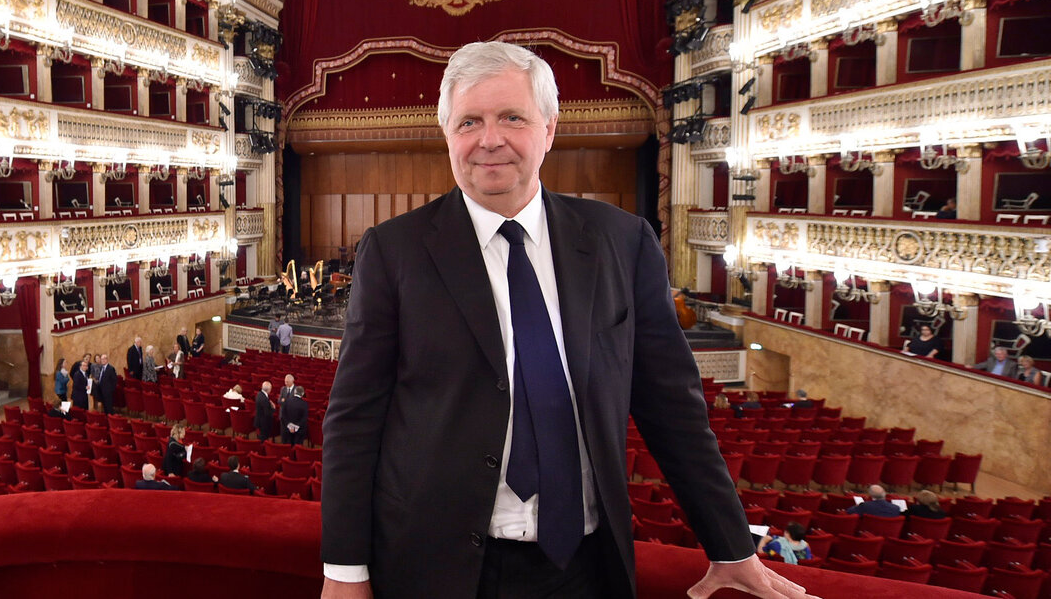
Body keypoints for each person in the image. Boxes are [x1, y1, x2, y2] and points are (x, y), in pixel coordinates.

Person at [320, 42, 804, 599]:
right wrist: (345, 571)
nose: (489, 139)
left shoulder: (623, 241)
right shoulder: (393, 250)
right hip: (433, 564)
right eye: (469, 121)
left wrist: (731, 546)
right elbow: (354, 419)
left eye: (512, 117)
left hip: (586, 567)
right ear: (447, 134)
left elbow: (673, 408)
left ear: (549, 129)